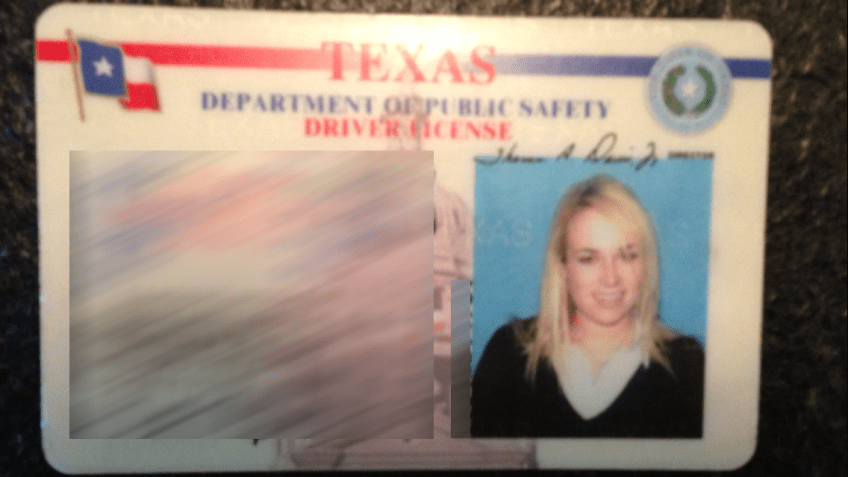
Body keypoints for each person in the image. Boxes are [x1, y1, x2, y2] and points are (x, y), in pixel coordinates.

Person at [470, 175, 704, 438]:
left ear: (646, 264)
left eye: (626, 256)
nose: (610, 278)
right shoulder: (508, 354)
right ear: (563, 267)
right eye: (588, 259)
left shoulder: (687, 365)